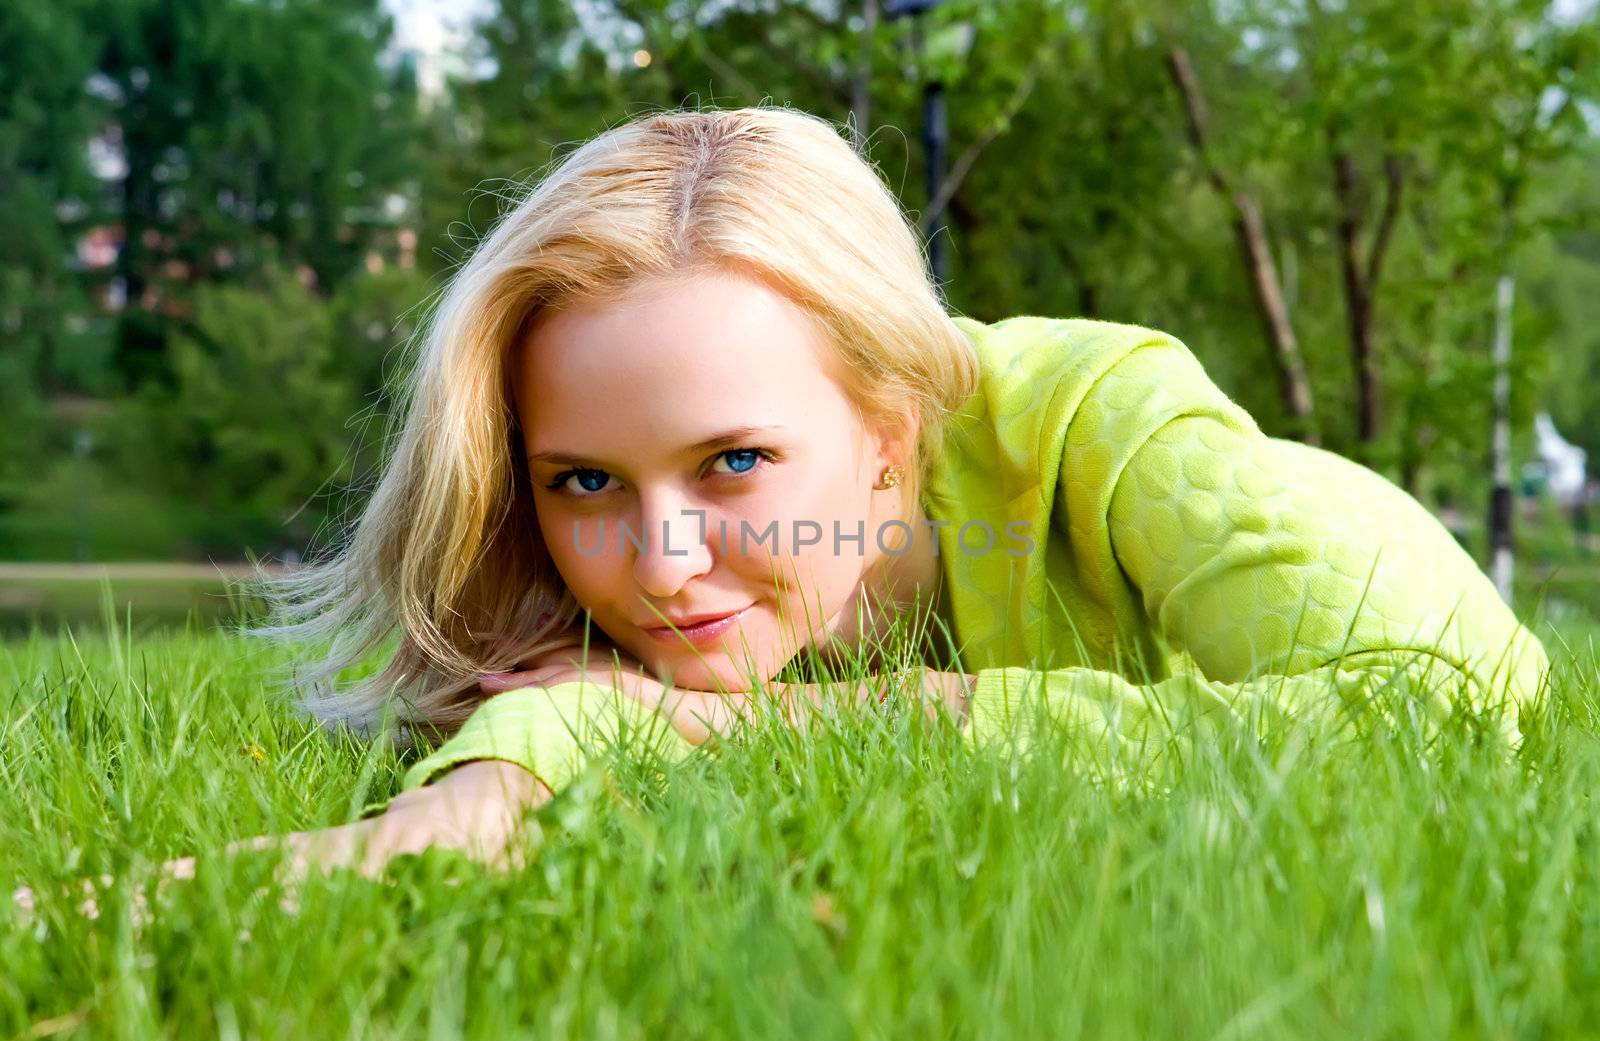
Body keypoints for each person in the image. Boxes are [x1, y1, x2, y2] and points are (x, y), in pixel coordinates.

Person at [172, 105, 1562, 884]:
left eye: (735, 463)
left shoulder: (1115, 429)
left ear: (889, 428)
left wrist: (760, 733)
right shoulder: (608, 617)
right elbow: (536, 771)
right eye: (584, 479)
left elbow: (1439, 722)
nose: (658, 563)